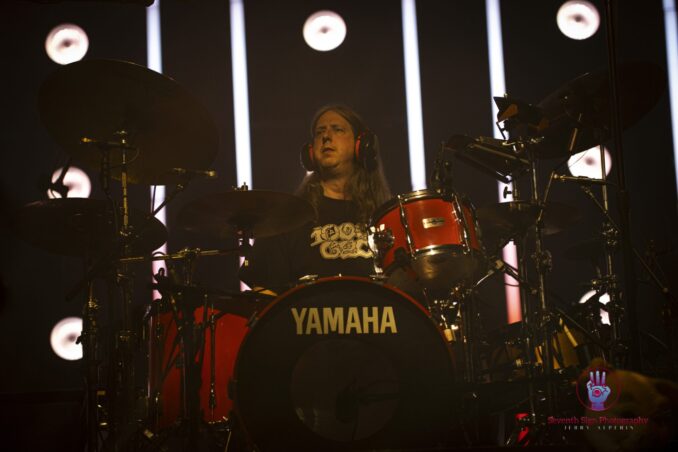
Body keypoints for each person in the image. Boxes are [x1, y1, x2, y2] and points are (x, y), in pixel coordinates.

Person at [239, 104, 391, 294]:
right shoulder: (286, 217)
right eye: (320, 132)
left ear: (361, 145)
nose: (326, 136)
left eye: (337, 129)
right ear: (310, 153)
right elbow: (264, 290)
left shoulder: (385, 217)